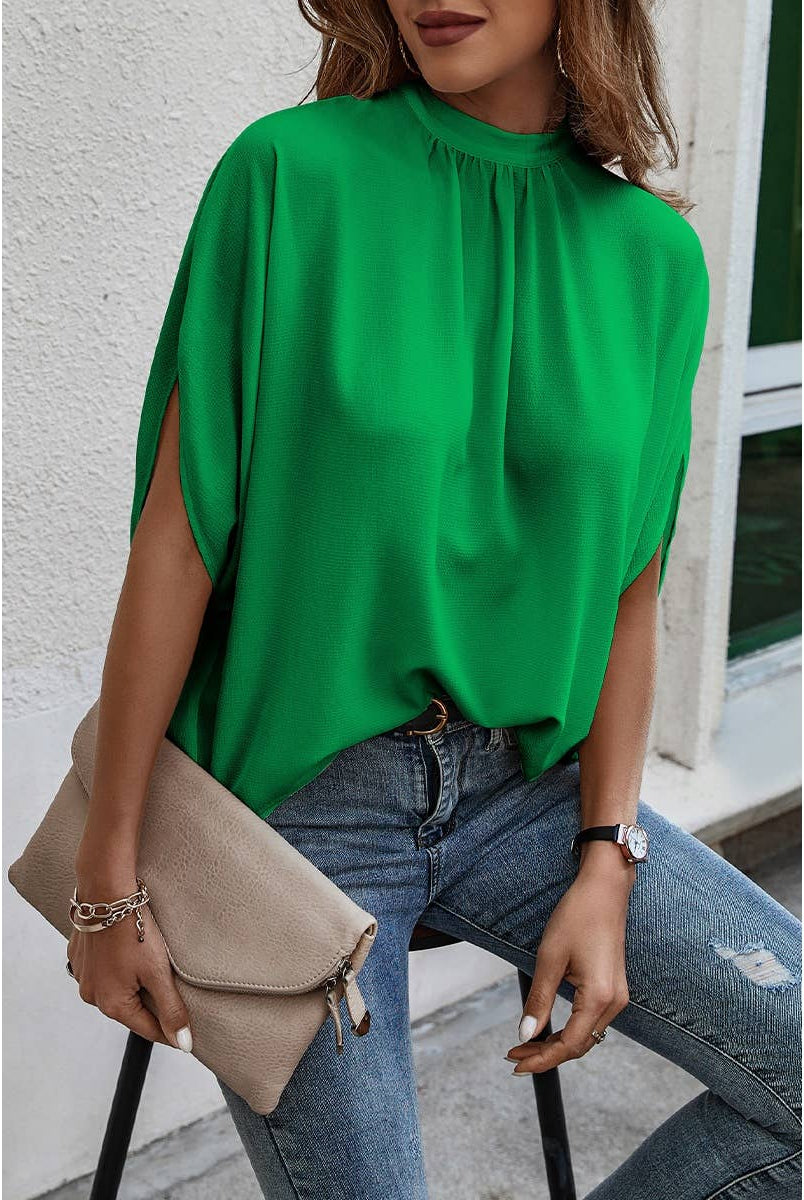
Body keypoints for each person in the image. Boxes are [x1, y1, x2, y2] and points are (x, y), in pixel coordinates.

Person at [67, 0, 802, 1196]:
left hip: (532, 797)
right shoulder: (292, 177)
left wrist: (608, 859)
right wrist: (110, 877)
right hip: (302, 816)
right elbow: (179, 543)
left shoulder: (654, 261)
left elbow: (629, 592)